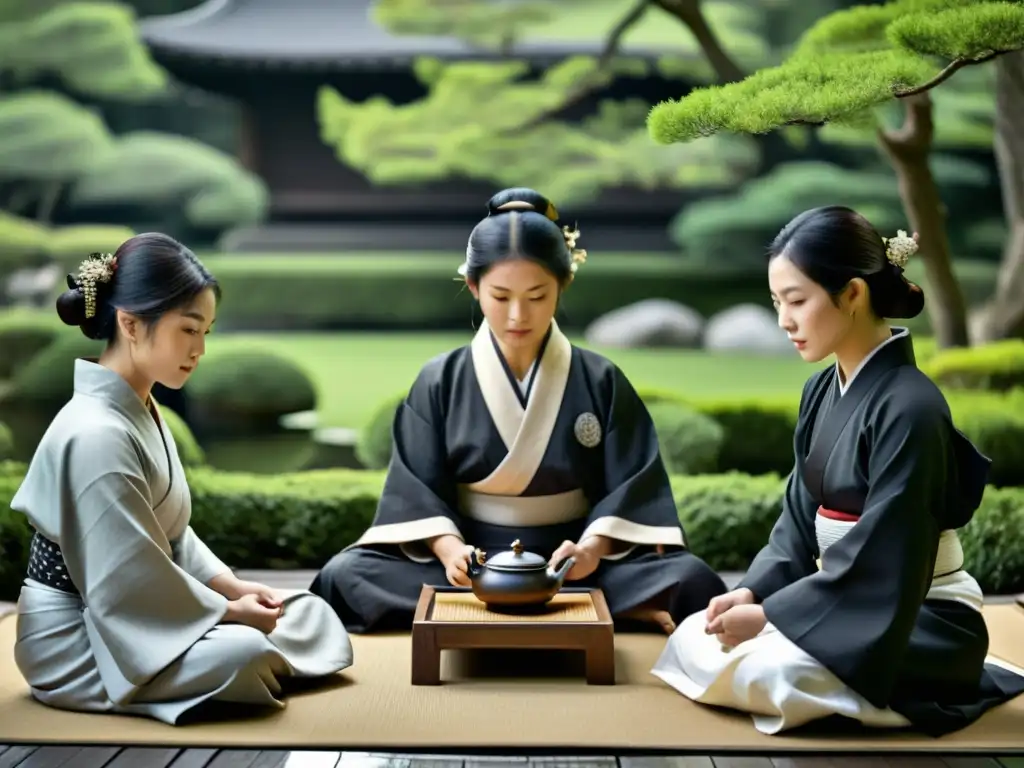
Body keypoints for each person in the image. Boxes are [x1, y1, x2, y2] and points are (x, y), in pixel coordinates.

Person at [651, 206, 1024, 737]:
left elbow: (889, 548)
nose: (784, 320)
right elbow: (799, 521)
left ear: (852, 294)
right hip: (842, 605)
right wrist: (753, 593)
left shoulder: (912, 406)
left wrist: (774, 618)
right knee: (694, 636)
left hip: (918, 617)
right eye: (778, 303)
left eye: (797, 301)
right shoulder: (820, 391)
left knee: (773, 672)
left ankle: (910, 688)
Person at [310, 187, 727, 634]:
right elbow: (415, 489)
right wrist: (450, 550)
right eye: (500, 295)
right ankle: (604, 609)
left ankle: (491, 608)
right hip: (474, 563)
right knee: (346, 576)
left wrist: (591, 549)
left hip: (572, 561)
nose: (517, 315)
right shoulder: (440, 379)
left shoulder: (601, 379)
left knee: (690, 580)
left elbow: (632, 484)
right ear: (473, 286)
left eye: (536, 296)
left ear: (563, 284)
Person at [10, 234, 354, 725]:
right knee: (243, 653)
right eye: (188, 330)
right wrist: (227, 613)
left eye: (206, 333)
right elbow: (125, 580)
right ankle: (237, 651)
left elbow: (169, 535)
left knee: (305, 611)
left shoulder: (138, 409)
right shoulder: (94, 433)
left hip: (147, 612)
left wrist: (232, 588)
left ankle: (240, 644)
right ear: (130, 323)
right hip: (79, 636)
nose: (199, 350)